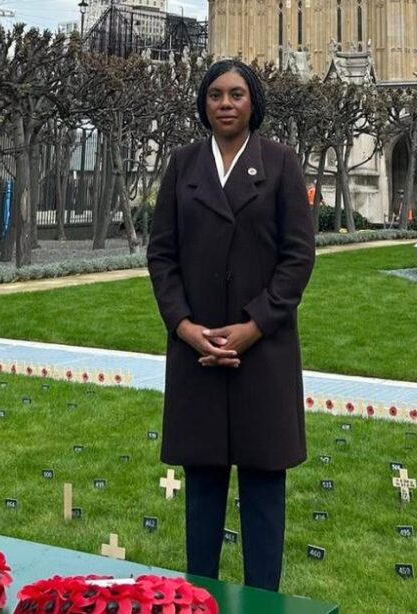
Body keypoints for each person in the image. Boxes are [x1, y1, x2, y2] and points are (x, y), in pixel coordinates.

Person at [147, 59, 316, 593]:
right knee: (202, 486)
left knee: (264, 486)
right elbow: (162, 255)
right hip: (196, 350)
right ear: (203, 103)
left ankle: (262, 599)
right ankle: (201, 596)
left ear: (253, 103)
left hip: (261, 352)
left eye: (236, 94)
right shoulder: (182, 165)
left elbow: (297, 258)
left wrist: (253, 325)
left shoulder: (281, 164)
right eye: (216, 94)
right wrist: (183, 325)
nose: (225, 103)